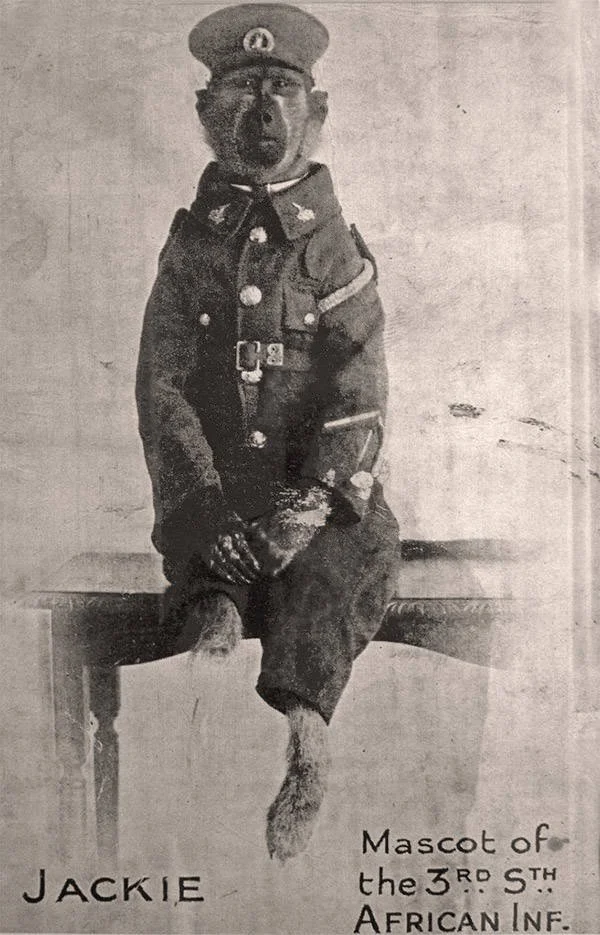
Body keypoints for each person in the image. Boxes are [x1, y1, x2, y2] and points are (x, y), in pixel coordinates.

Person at [135, 2, 400, 862]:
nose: (262, 109)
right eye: (243, 88)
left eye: (282, 88)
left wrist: (311, 503)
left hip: (316, 504)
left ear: (315, 109)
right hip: (224, 499)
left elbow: (359, 385)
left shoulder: (334, 247)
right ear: (205, 110)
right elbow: (163, 388)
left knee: (331, 580)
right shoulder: (191, 248)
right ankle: (202, 753)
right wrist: (204, 509)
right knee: (209, 592)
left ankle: (308, 749)